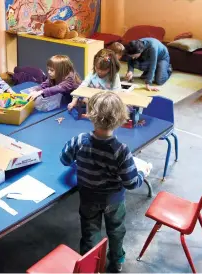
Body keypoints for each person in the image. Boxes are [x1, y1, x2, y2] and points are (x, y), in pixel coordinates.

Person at [60, 92, 148, 273]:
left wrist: (78, 164)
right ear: (121, 118)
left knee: (90, 232)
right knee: (116, 231)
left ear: (91, 114)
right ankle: (116, 262)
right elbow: (131, 183)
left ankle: (90, 266)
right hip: (113, 200)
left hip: (88, 197)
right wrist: (142, 173)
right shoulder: (121, 151)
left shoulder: (79, 141)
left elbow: (64, 159)